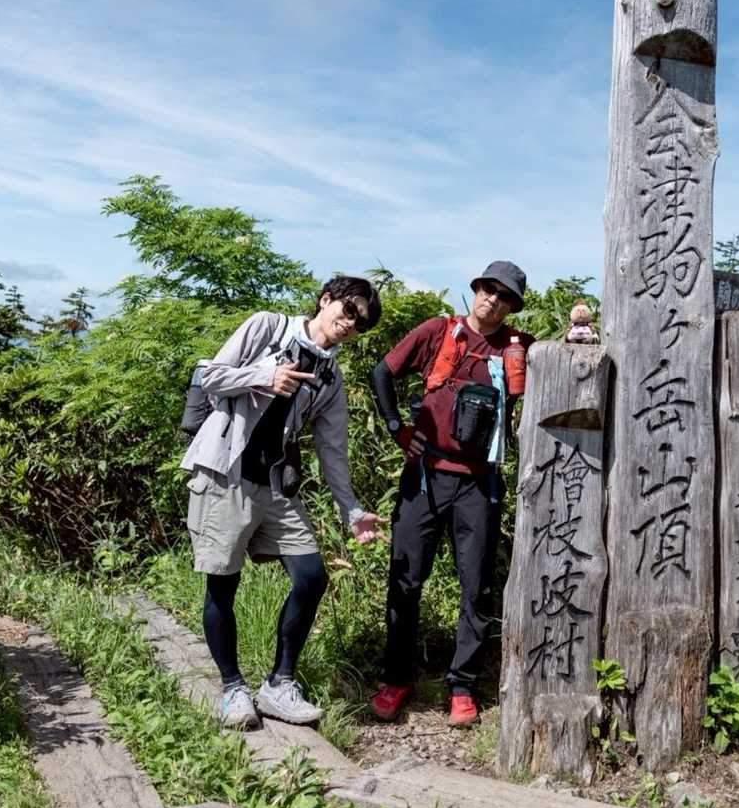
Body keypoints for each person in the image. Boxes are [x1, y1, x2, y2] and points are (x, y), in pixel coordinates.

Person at [180, 276, 387, 729]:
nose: (350, 325)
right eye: (348, 311)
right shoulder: (267, 327)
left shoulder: (330, 377)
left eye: (360, 324)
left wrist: (351, 510)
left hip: (275, 485)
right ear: (326, 300)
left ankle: (279, 684)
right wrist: (265, 376)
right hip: (225, 473)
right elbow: (209, 375)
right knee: (222, 585)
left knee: (310, 577)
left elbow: (333, 450)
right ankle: (233, 689)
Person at [367, 261, 535, 727]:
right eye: (488, 289)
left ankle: (462, 687)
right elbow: (383, 372)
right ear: (476, 289)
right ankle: (397, 679)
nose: (493, 300)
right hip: (423, 477)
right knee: (405, 579)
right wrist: (397, 428)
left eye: (504, 296)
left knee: (476, 587)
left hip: (479, 483)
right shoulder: (438, 332)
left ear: (513, 305)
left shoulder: (518, 348)